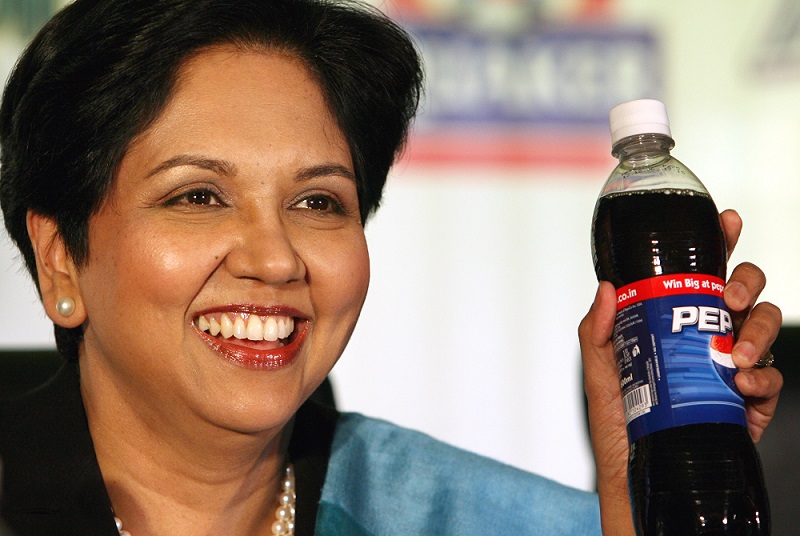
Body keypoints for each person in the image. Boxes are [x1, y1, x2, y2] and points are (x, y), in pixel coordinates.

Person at [0, 0, 783, 534]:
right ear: (61, 258)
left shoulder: (469, 516)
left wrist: (640, 489)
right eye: (199, 195)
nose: (275, 260)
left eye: (318, 204)